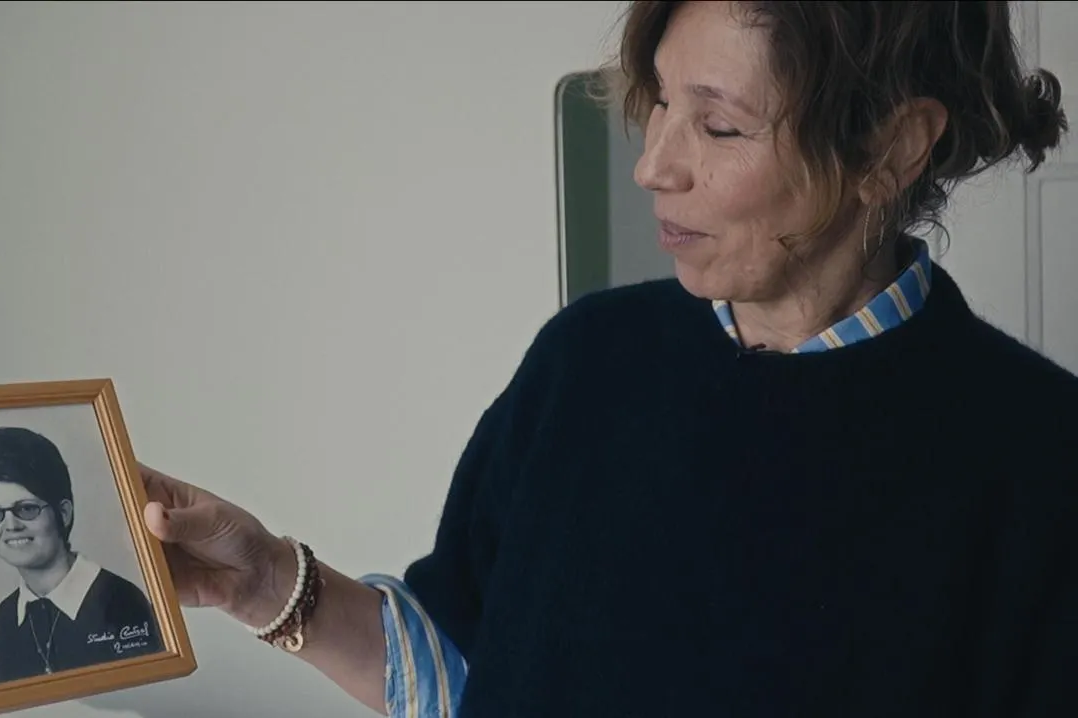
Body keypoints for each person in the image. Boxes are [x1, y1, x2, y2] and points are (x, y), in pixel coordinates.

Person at [138, 2, 1078, 716]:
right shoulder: (587, 361)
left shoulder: (1040, 462)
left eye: (719, 126)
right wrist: (264, 581)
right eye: (662, 101)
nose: (653, 165)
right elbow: (473, 668)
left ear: (894, 146)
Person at [0, 426, 164, 683]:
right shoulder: (4, 620)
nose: (11, 526)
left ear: (64, 513)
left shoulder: (122, 603)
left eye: (27, 509)